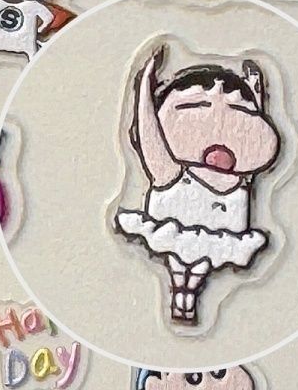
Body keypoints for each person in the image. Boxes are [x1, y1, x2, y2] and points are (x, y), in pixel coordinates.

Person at [114, 50, 279, 326]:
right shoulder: (170, 170)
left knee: (199, 267)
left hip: (219, 238)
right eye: (195, 106)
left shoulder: (238, 179)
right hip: (176, 231)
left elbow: (255, 141)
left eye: (240, 111)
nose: (219, 126)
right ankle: (182, 295)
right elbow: (148, 134)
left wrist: (256, 95)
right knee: (181, 265)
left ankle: (186, 296)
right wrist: (145, 87)